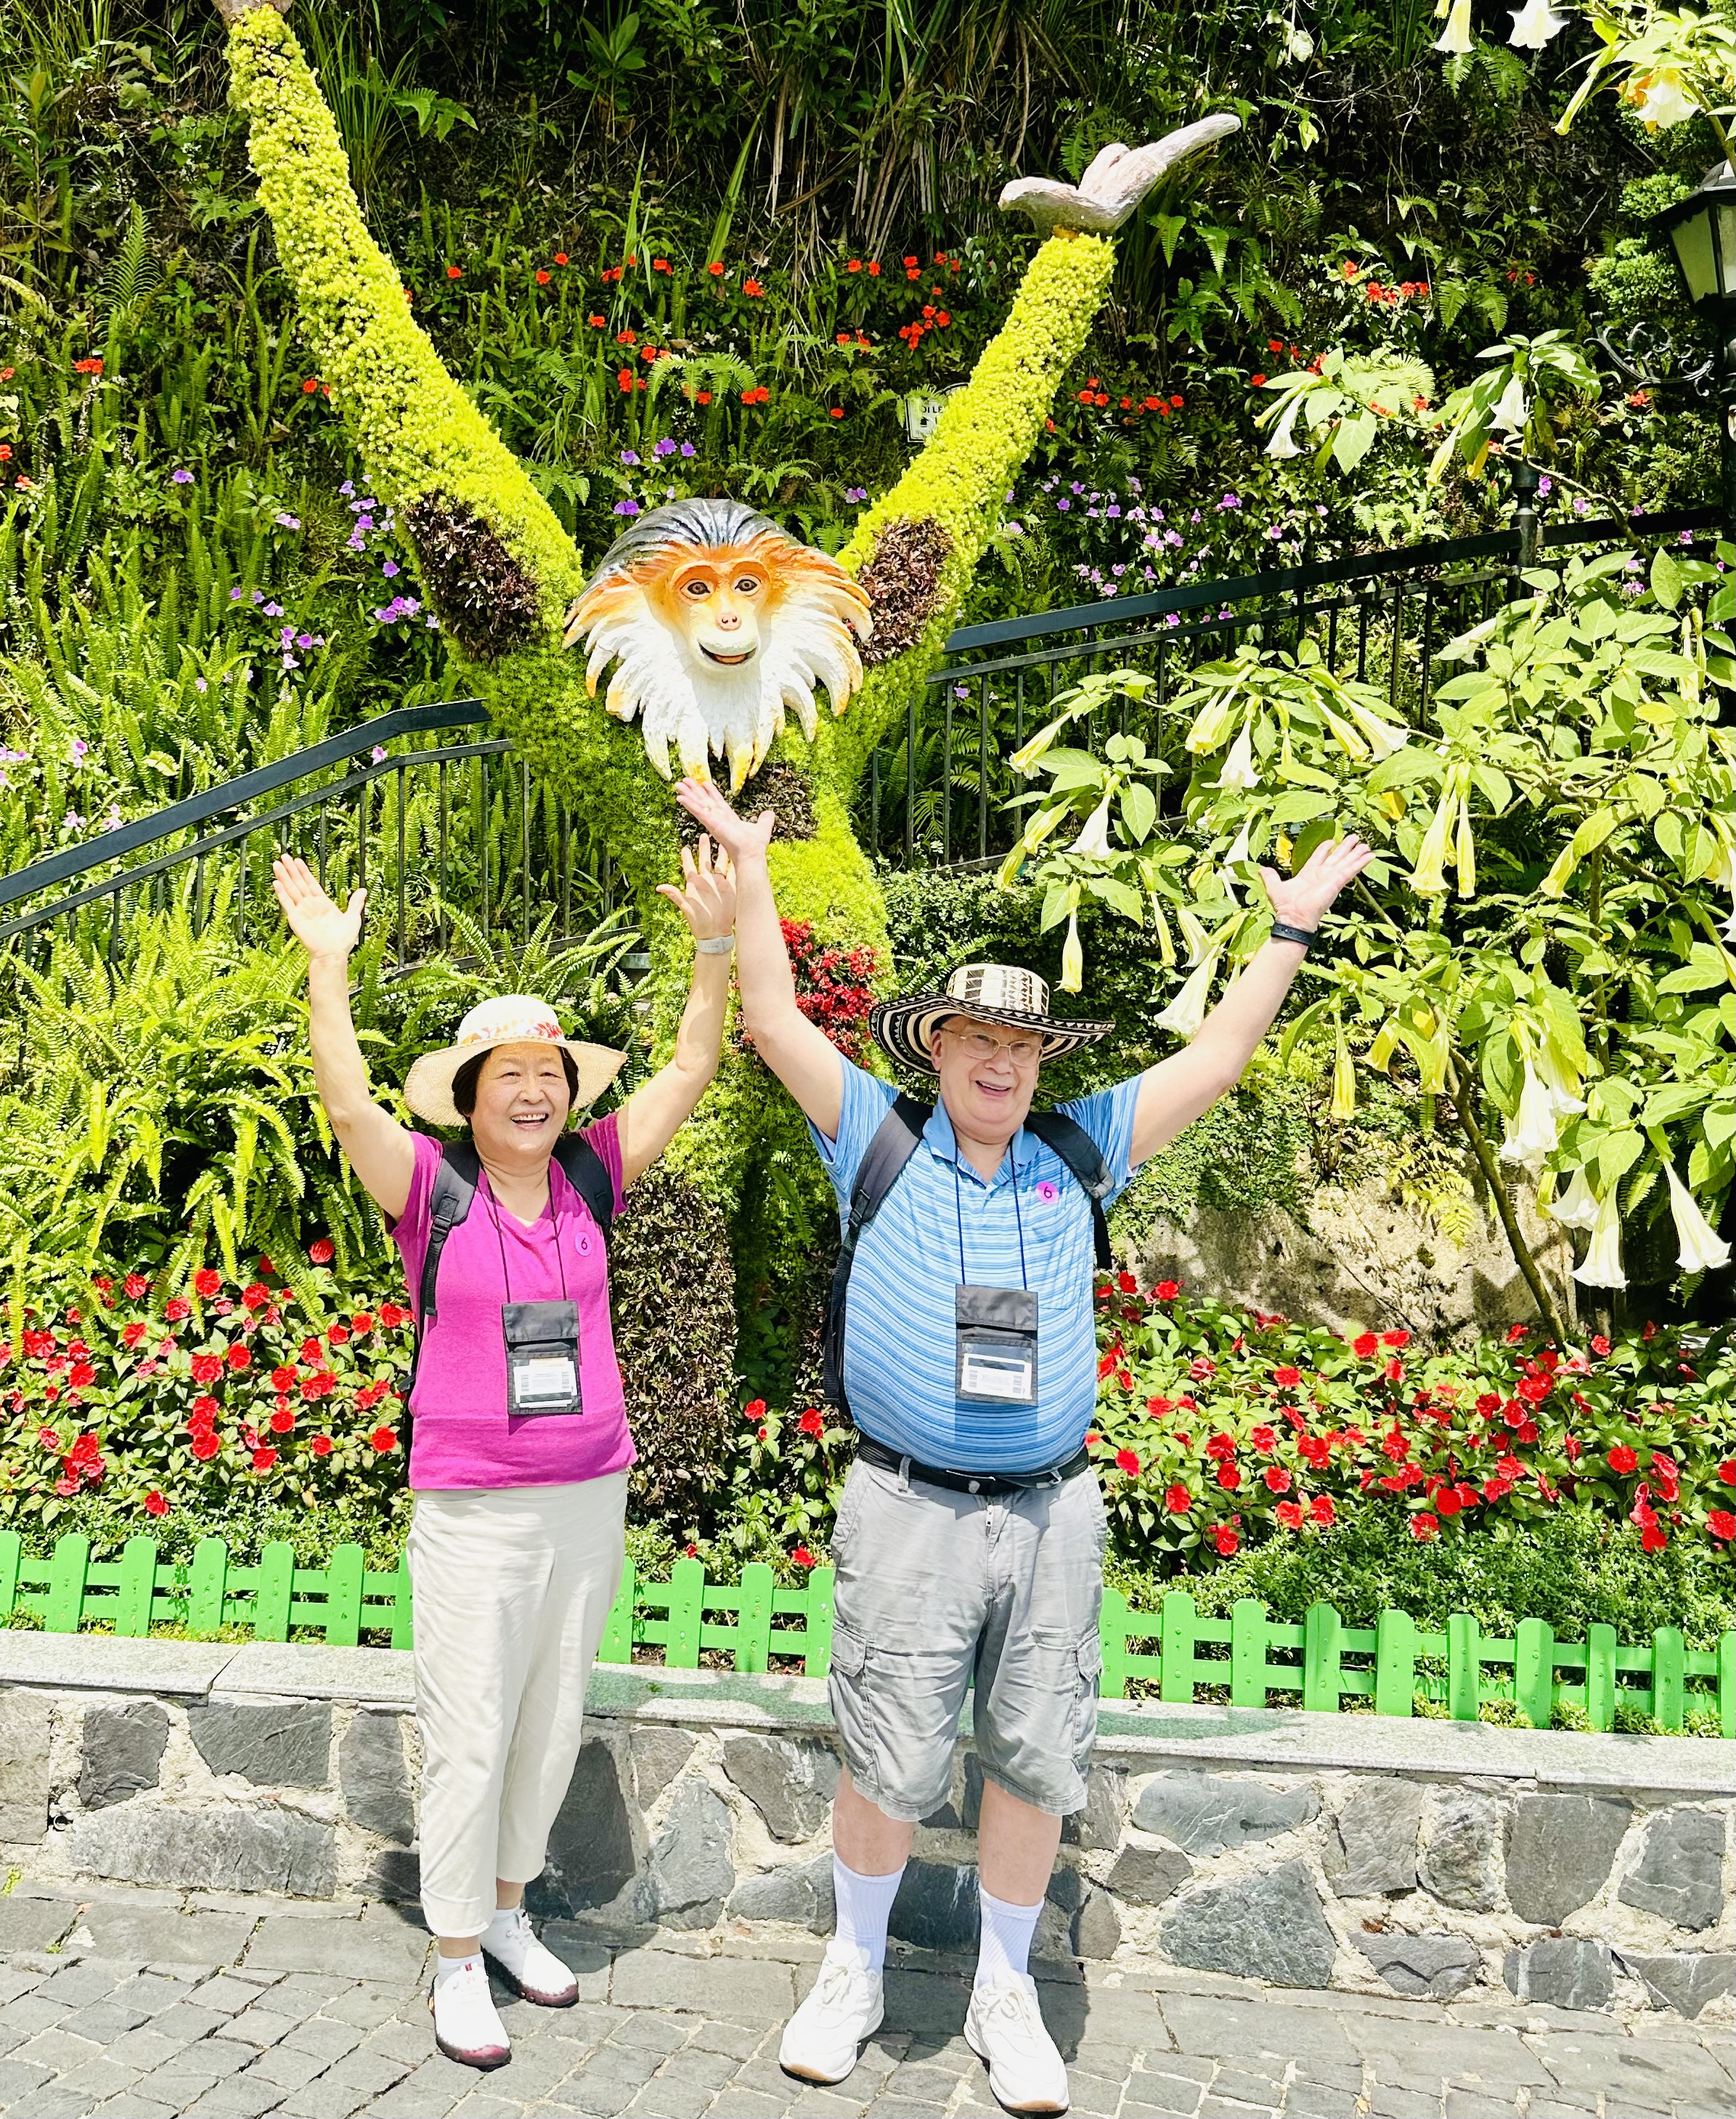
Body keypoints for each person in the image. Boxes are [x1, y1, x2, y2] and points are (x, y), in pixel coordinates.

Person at [677, 776, 1370, 2118]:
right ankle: (854, 1965)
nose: (1000, 1062)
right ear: (934, 1046)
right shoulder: (872, 1134)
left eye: (1022, 1044)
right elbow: (769, 1016)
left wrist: (1284, 932)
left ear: (1042, 1061)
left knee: (1036, 1751)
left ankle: (1006, 1990)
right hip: (906, 1504)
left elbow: (1213, 1066)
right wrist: (753, 866)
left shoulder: (1076, 1146)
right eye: (977, 1039)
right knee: (885, 1745)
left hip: (1050, 1511)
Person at [273, 842, 738, 2070]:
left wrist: (712, 945)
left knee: (546, 1723)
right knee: (472, 1727)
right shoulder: (429, 1185)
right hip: (474, 1505)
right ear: (472, 1096)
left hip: (588, 1490)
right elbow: (346, 1103)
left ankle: (514, 1909)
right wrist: (330, 971)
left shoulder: (593, 1177)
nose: (531, 1093)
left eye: (548, 1074)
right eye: (508, 1076)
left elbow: (694, 1061)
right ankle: (456, 1957)